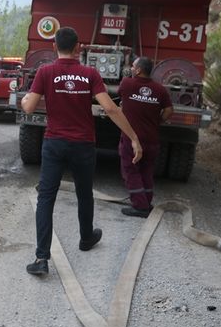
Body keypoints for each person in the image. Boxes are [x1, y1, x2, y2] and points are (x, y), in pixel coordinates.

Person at [21, 27, 142, 276]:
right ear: (79, 48)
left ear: (54, 46)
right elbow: (110, 109)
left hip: (54, 143)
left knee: (46, 198)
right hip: (83, 144)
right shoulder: (89, 73)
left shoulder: (45, 72)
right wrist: (133, 138)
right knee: (84, 193)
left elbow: (30, 108)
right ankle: (86, 238)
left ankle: (41, 258)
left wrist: (24, 100)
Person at [117, 57, 173, 217]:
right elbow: (169, 110)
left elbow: (120, 99)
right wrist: (157, 121)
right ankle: (147, 202)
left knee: (130, 170)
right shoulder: (160, 90)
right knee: (146, 171)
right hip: (152, 138)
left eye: (133, 66)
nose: (131, 68)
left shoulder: (127, 84)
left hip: (131, 139)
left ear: (139, 70)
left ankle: (140, 207)